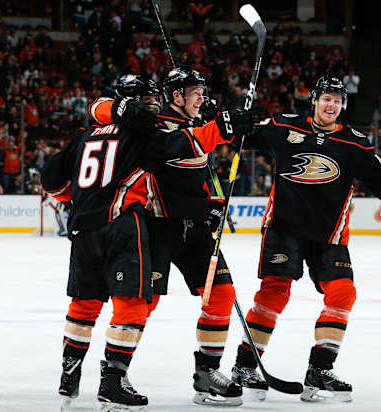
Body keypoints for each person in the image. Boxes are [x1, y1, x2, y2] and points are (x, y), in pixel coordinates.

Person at [42, 75, 255, 411]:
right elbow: (170, 143)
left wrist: (212, 201)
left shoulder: (182, 122)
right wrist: (218, 128)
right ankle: (114, 377)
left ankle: (206, 373)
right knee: (139, 304)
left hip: (190, 228)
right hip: (151, 227)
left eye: (204, 93)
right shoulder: (148, 127)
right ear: (172, 96)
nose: (202, 99)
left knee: (221, 294)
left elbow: (202, 168)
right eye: (196, 93)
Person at [230, 76, 381, 402]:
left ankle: (320, 369)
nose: (331, 106)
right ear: (314, 100)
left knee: (342, 292)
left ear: (342, 106)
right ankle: (244, 366)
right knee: (274, 294)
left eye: (337, 101)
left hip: (330, 236)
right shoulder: (285, 126)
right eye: (326, 99)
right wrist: (237, 124)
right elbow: (243, 135)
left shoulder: (354, 143)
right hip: (283, 228)